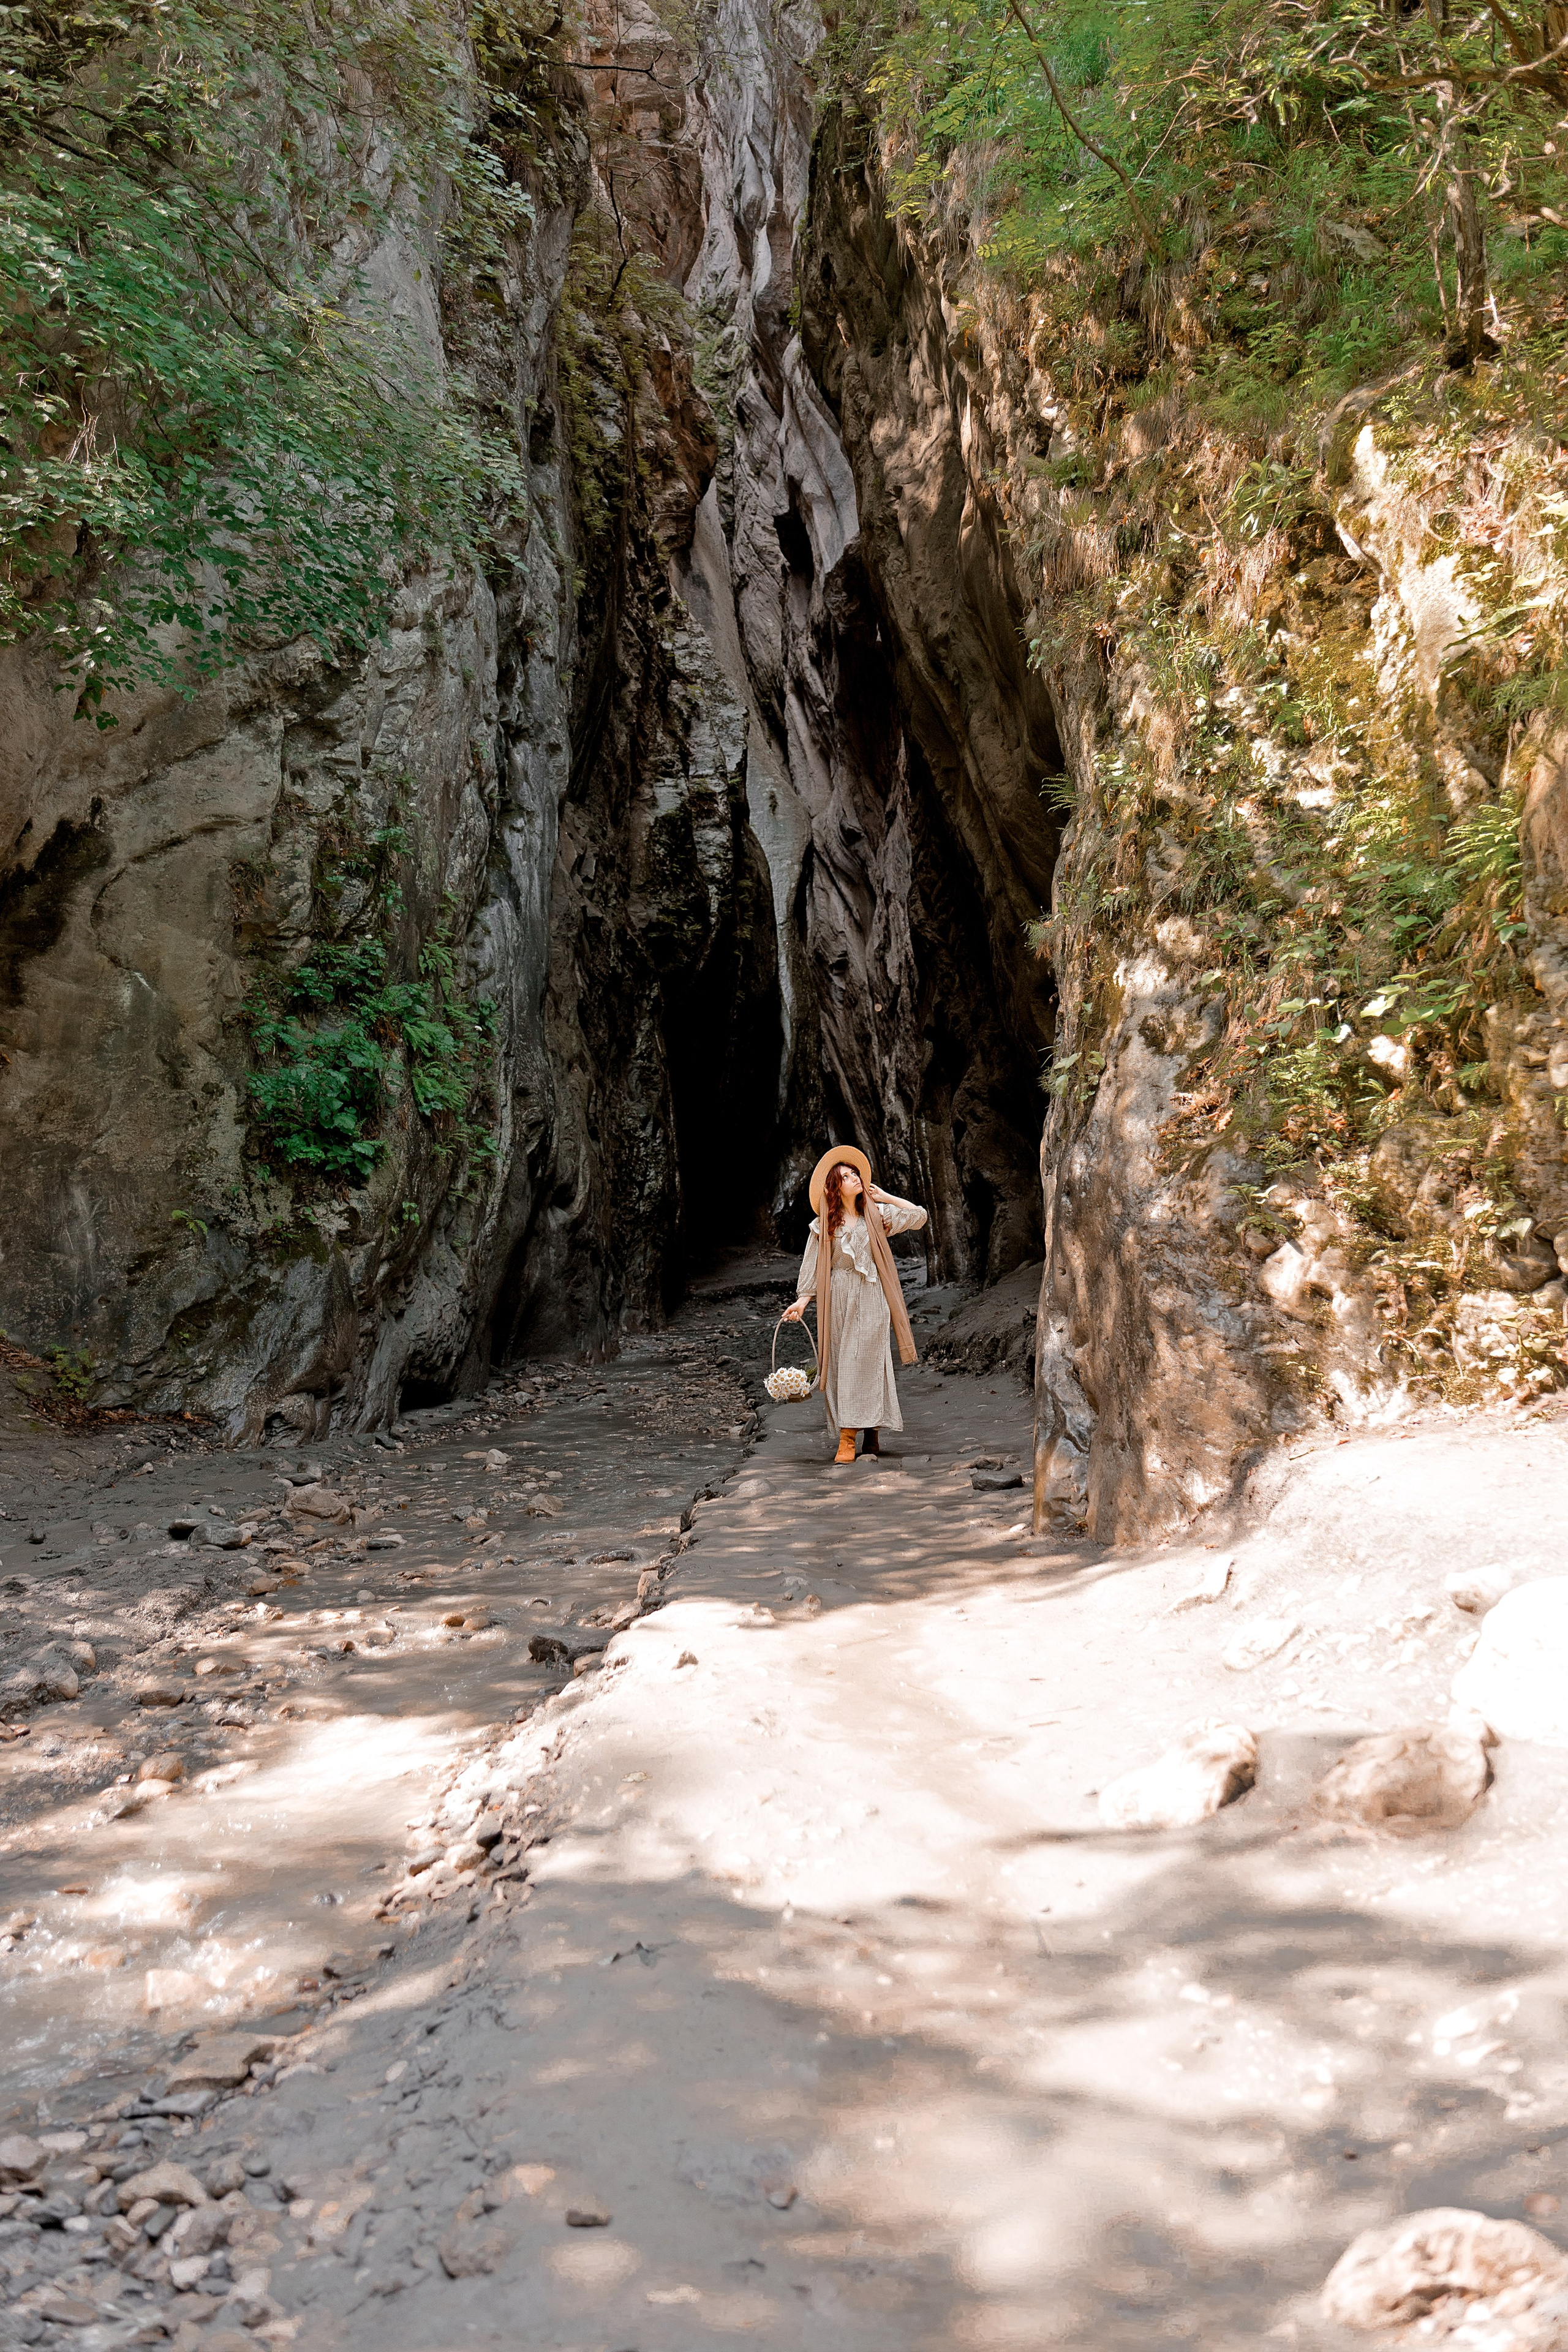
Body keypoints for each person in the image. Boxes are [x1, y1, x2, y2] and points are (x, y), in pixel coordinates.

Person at [783, 1145, 929, 1463]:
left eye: (854, 1174)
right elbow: (812, 1265)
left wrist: (887, 1197)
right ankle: (848, 1436)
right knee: (844, 1363)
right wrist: (803, 1301)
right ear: (835, 1188)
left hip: (873, 1295)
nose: (854, 1179)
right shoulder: (823, 1225)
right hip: (839, 1297)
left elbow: (919, 1217)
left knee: (872, 1361)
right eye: (845, 1177)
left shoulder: (877, 1216)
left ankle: (871, 1432)